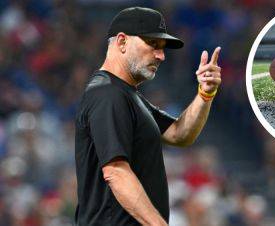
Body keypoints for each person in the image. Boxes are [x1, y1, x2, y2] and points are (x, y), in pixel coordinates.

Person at [74, 7, 222, 226]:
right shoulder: (107, 94)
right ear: (122, 42)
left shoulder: (128, 95)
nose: (161, 55)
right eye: (152, 44)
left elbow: (179, 134)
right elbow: (115, 172)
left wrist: (205, 93)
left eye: (162, 48)